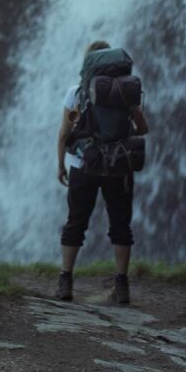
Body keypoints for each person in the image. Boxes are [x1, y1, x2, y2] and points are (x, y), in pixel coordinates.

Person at [55, 40, 149, 304]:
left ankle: (66, 281)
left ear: (88, 63)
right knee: (120, 224)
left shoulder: (76, 92)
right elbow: (143, 128)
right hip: (118, 167)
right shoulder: (125, 91)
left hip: (82, 165)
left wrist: (60, 164)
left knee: (76, 222)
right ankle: (121, 285)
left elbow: (64, 133)